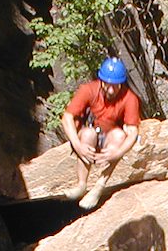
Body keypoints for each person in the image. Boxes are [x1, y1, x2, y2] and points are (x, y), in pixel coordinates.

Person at [61, 57, 142, 210]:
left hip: (111, 136)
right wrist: (77, 146)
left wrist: (117, 153)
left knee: (119, 137)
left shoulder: (129, 98)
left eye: (116, 86)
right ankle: (81, 184)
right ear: (101, 81)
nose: (111, 90)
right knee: (88, 135)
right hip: (90, 132)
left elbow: (132, 132)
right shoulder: (88, 90)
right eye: (108, 85)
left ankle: (99, 186)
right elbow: (67, 118)